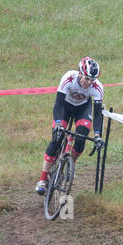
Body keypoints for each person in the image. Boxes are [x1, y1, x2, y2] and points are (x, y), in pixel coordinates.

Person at [36, 57, 105, 195]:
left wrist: (97, 135)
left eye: (92, 80)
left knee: (81, 138)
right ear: (79, 73)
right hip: (65, 107)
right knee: (57, 138)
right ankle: (42, 179)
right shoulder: (68, 78)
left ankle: (70, 163)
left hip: (82, 109)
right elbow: (58, 104)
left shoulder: (97, 87)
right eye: (86, 78)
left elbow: (97, 114)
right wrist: (57, 124)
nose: (89, 83)